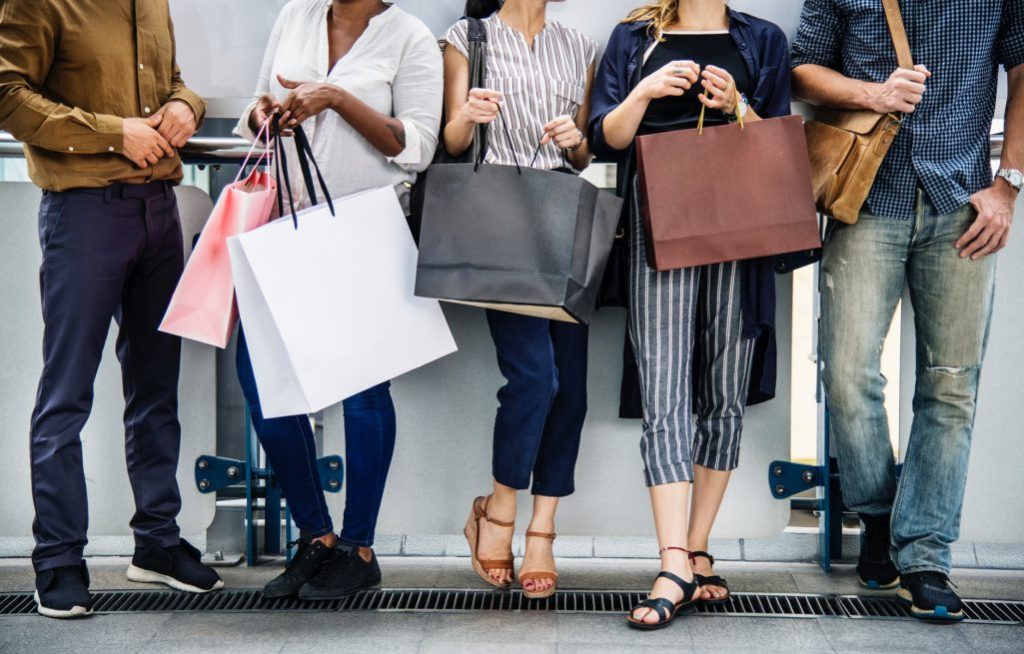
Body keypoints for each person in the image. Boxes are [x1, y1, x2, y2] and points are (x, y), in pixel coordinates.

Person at [791, 0, 1022, 622]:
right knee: (846, 374)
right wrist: (874, 92)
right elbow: (802, 69)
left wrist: (1010, 183)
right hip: (866, 195)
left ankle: (924, 557)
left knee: (951, 387)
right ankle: (877, 516)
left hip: (965, 201)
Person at [0, 0, 223, 619]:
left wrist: (187, 106)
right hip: (83, 214)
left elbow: (171, 83)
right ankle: (57, 559)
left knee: (157, 386)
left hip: (159, 212)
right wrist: (111, 131)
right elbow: (6, 95)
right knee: (66, 392)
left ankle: (156, 543)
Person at [232, 0, 443, 600]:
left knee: (363, 392)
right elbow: (251, 108)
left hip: (366, 231)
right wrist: (267, 114)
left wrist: (335, 98)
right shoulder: (295, 16)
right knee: (262, 383)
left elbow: (417, 146)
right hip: (282, 227)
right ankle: (316, 537)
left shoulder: (409, 37)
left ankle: (359, 547)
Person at [589, 0, 790, 629]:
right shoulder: (634, 38)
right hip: (659, 219)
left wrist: (736, 104)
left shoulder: (762, 39)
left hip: (741, 222)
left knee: (725, 388)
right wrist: (646, 90)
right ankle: (672, 560)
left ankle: (699, 548)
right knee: (665, 385)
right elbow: (605, 136)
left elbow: (776, 138)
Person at [442, 0, 598, 599]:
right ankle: (498, 506)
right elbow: (455, 142)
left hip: (564, 215)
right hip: (499, 220)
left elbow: (583, 156)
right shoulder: (468, 36)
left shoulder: (578, 45)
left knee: (573, 386)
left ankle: (542, 531)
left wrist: (575, 139)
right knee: (536, 378)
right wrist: (471, 114)